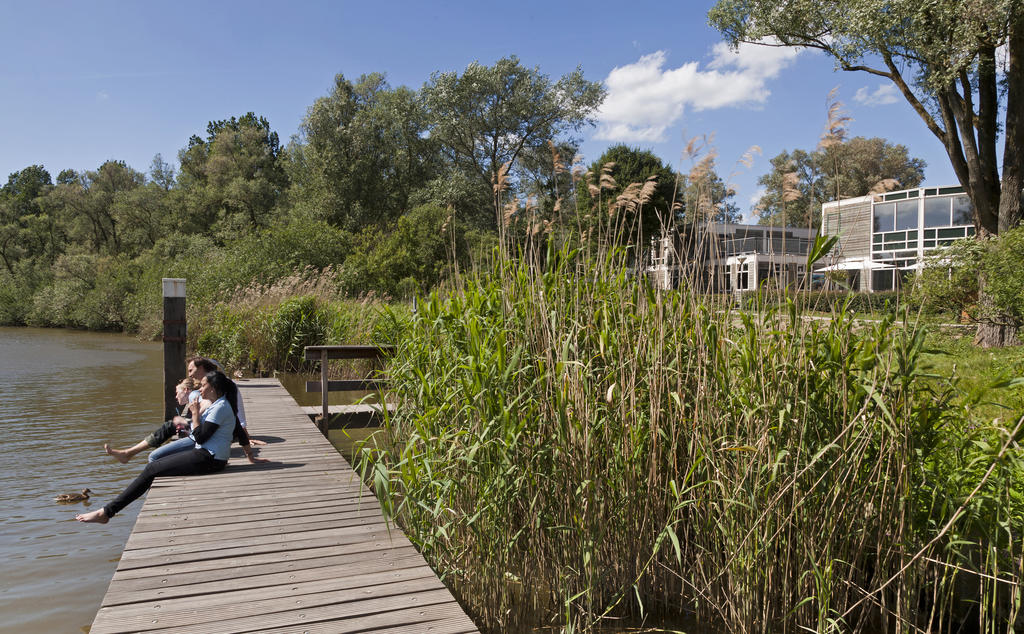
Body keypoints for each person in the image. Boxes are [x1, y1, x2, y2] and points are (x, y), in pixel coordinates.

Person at [77, 370, 245, 524]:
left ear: (214, 387)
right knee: (156, 464)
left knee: (152, 469)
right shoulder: (220, 404)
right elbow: (233, 427)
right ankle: (110, 509)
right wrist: (250, 455)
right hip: (209, 456)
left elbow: (200, 436)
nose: (200, 390)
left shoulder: (221, 407)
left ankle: (107, 512)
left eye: (203, 386)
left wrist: (194, 414)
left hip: (209, 458)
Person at [105, 357, 264, 464]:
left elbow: (233, 418)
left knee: (161, 447)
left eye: (190, 370)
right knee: (172, 426)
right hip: (209, 432)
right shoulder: (212, 388)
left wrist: (247, 443)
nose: (188, 374)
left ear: (201, 370)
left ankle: (131, 454)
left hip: (212, 439)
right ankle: (130, 453)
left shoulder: (221, 390)